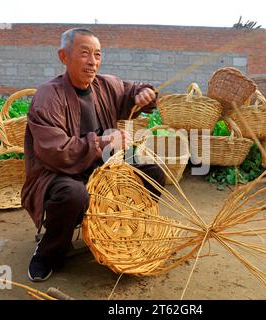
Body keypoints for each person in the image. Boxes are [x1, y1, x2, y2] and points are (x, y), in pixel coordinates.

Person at [21, 28, 165, 282]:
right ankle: (48, 252)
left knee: (153, 174)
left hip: (105, 164)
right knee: (74, 195)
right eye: (84, 53)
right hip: (59, 171)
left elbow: (131, 91)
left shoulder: (106, 85)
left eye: (97, 55)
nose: (92, 62)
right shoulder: (48, 95)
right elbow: (56, 151)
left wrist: (144, 93)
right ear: (63, 56)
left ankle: (120, 229)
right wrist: (104, 141)